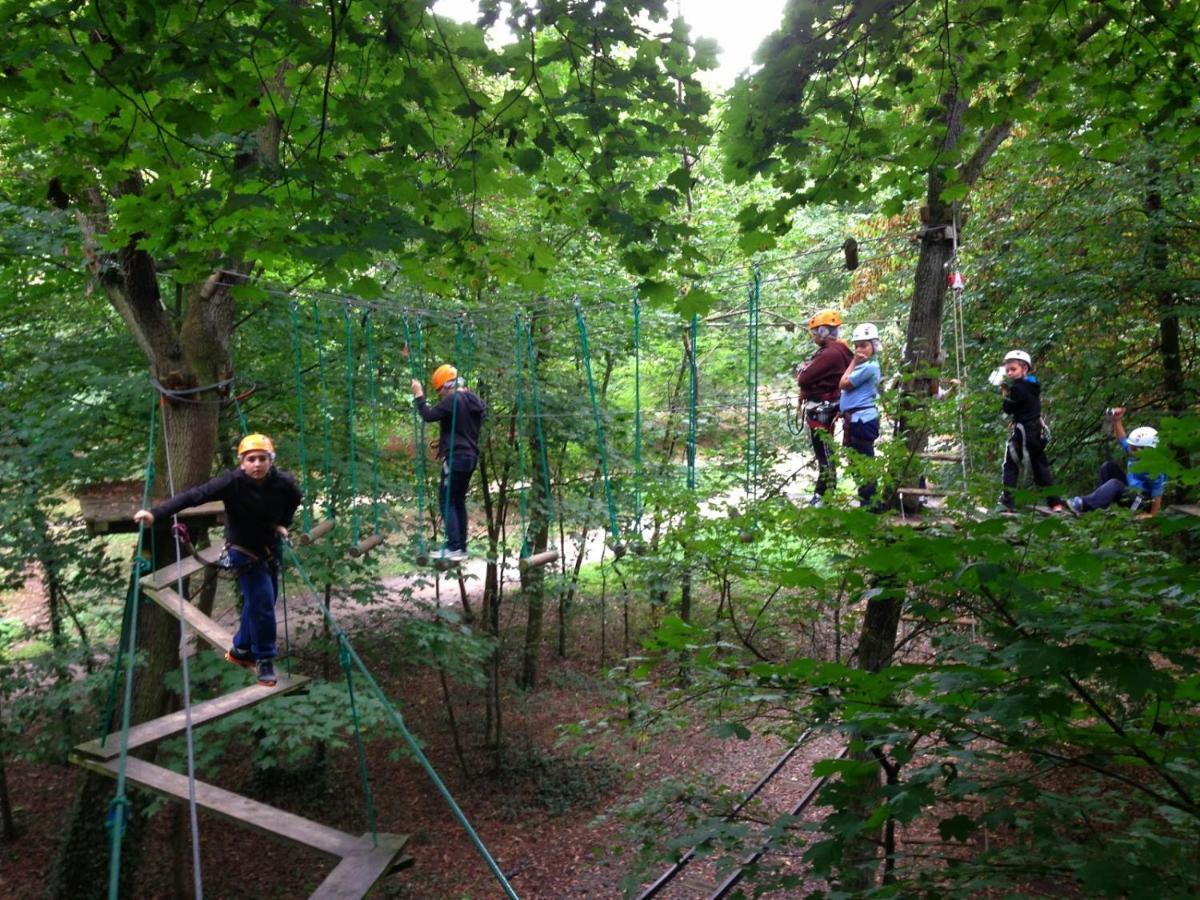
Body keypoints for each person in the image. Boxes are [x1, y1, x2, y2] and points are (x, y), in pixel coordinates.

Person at [133, 433, 301, 687]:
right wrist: (156, 514)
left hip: (269, 547)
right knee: (263, 603)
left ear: (271, 460)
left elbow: (294, 499)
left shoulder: (283, 483)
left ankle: (241, 650)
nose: (257, 464)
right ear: (242, 462)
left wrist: (282, 523)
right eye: (251, 459)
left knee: (260, 602)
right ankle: (264, 659)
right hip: (243, 550)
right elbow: (193, 496)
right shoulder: (231, 483)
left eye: (262, 459)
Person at [411, 363, 487, 561]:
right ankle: (460, 547)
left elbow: (428, 415)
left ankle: (454, 546)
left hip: (456, 457)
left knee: (447, 501)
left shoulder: (453, 399)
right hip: (470, 457)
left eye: (440, 393)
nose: (441, 398)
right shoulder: (474, 400)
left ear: (446, 386)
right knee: (457, 500)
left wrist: (418, 395)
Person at [794, 309, 853, 507]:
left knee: (824, 452)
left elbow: (803, 377)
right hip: (824, 407)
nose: (812, 336)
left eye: (814, 332)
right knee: (824, 451)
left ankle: (824, 495)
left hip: (823, 409)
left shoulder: (831, 353)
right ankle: (824, 493)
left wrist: (803, 374)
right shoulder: (836, 350)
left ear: (823, 331)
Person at [997, 349, 1063, 512]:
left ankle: (1007, 501)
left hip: (1024, 432)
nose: (1010, 373)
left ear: (1024, 368)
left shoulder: (1018, 389)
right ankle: (1055, 503)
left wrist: (1005, 394)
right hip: (1034, 430)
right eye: (1008, 370)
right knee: (1040, 465)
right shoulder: (1033, 385)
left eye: (1013, 369)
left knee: (1011, 465)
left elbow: (1008, 409)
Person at [1067, 409, 1165, 517]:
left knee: (1115, 484)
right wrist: (1117, 421)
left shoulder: (1155, 468)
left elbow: (1157, 495)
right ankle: (1099, 502)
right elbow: (1122, 439)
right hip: (1131, 490)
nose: (1130, 450)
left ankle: (1084, 504)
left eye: (1134, 448)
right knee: (1108, 467)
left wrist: (1151, 515)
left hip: (1140, 503)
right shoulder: (1136, 454)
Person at [839, 322, 882, 508]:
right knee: (856, 463)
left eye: (864, 345)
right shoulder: (862, 366)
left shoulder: (868, 367)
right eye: (856, 346)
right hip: (856, 420)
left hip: (862, 420)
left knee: (863, 463)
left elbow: (843, 383)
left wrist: (853, 361)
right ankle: (868, 504)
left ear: (874, 346)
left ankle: (871, 507)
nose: (859, 350)